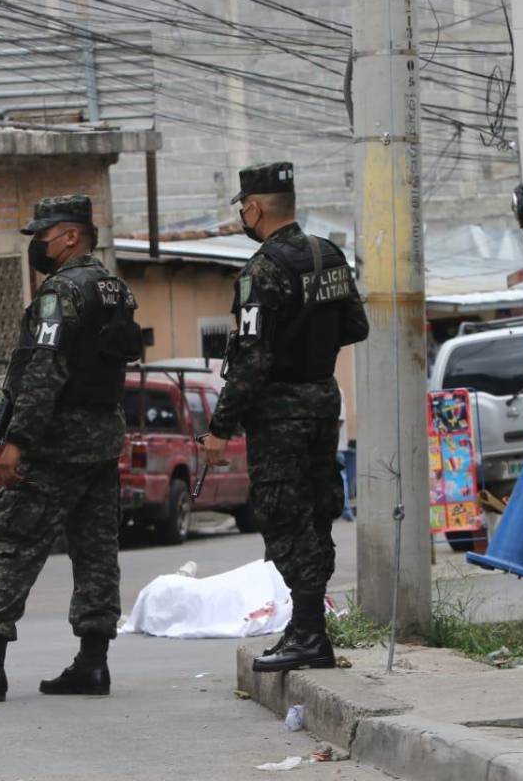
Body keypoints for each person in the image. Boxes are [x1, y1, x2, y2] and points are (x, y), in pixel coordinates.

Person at [0, 194, 142, 703]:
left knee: (13, 546)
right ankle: (93, 664)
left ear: (71, 236)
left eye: (42, 236)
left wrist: (17, 441)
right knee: (96, 553)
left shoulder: (60, 293)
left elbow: (44, 371)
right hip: (101, 444)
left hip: (55, 446)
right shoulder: (115, 289)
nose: (36, 246)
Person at [200, 162, 369, 673]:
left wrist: (219, 427)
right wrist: (310, 349)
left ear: (253, 208)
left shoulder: (261, 271)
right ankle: (305, 627)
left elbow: (251, 360)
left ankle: (310, 636)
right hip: (323, 398)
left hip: (279, 413)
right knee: (317, 512)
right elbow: (355, 326)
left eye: (243, 209)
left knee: (284, 515)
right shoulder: (329, 255)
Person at [337, 387, 354, 522]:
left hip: (335, 445)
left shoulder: (337, 389)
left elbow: (339, 419)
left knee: (341, 477)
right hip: (333, 445)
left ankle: (346, 510)